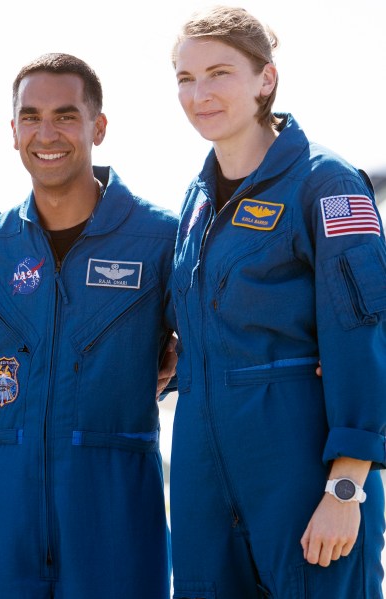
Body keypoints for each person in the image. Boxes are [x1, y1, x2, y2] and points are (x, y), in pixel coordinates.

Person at [0, 53, 176, 598]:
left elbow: (211, 352)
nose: (47, 133)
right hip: (7, 511)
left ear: (99, 126)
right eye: (31, 116)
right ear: (14, 129)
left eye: (66, 115)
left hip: (116, 511)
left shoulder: (159, 242)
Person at [169, 6, 386, 598]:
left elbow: (361, 333)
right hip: (200, 473)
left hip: (297, 466)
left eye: (219, 73)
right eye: (185, 78)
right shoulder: (195, 202)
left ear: (266, 79)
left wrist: (347, 487)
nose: (199, 94)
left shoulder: (327, 183)